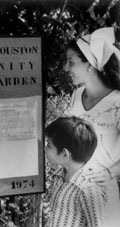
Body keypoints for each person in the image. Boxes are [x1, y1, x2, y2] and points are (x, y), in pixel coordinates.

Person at [64, 26, 120, 226]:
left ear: (90, 64)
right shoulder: (76, 97)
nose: (66, 69)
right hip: (73, 189)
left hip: (102, 192)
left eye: (71, 62)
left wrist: (107, 173)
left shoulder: (117, 101)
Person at [45, 116, 106, 227]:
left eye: (48, 145)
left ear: (64, 154)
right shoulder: (58, 176)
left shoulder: (88, 189)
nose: (45, 149)